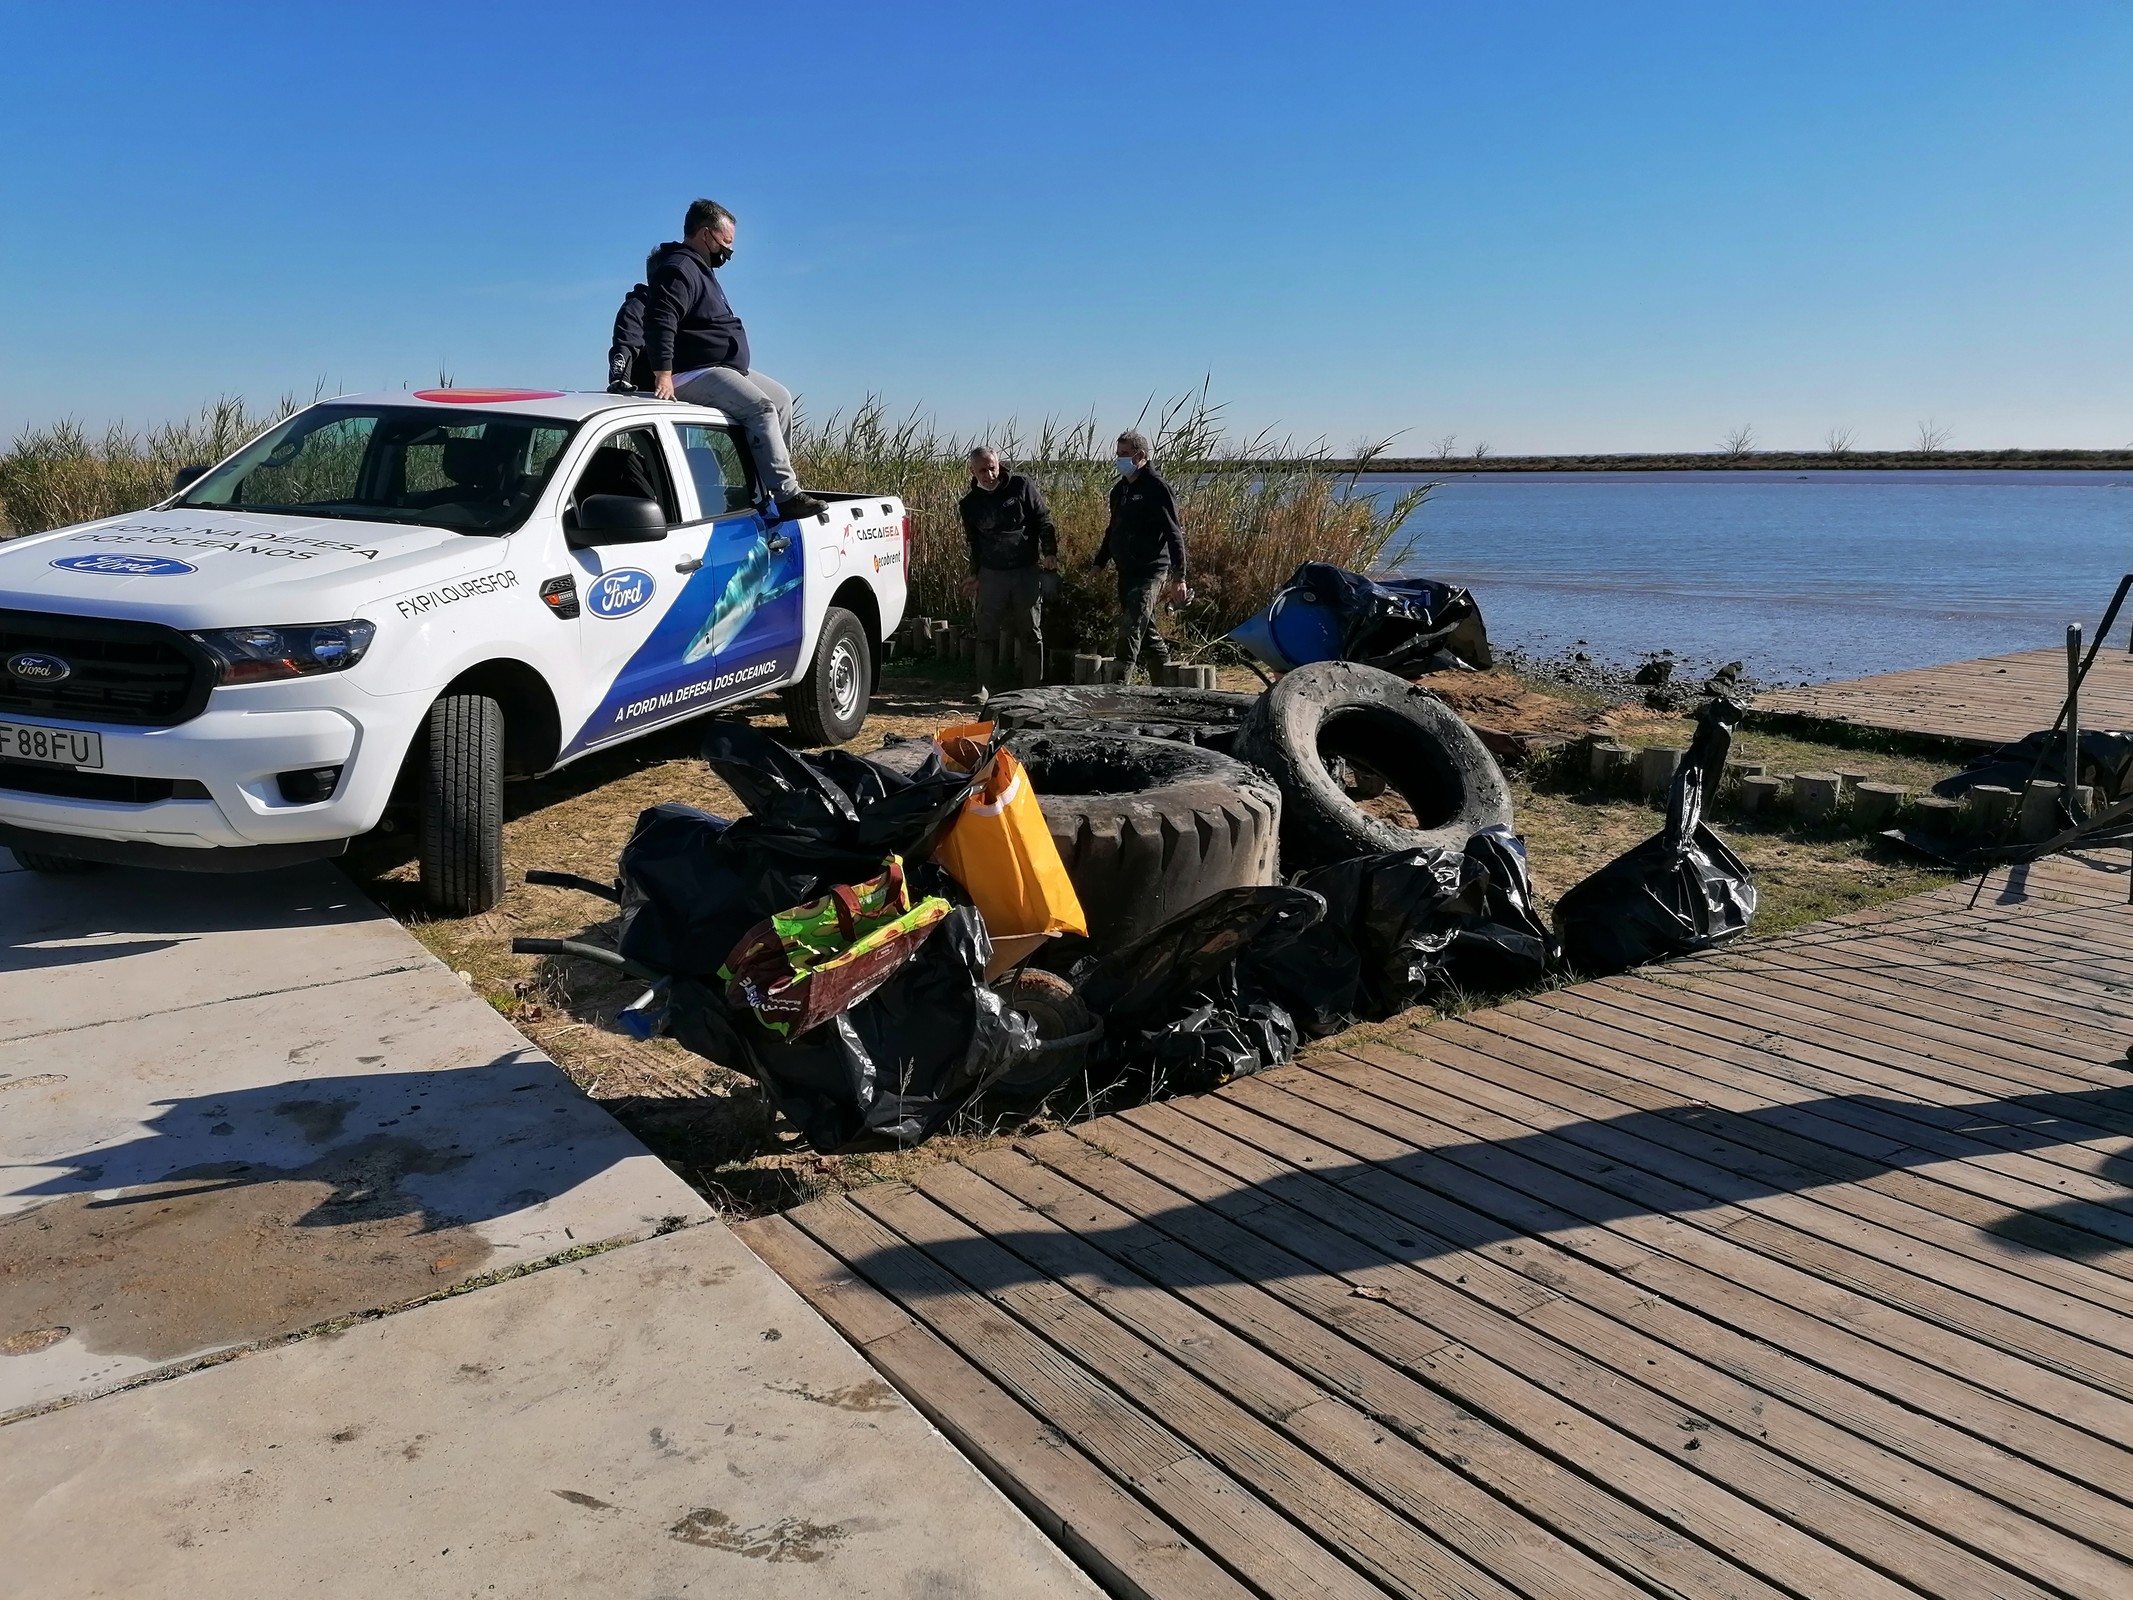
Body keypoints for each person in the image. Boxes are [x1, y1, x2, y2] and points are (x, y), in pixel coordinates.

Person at [644, 199, 825, 521]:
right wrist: (663, 374)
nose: (728, 252)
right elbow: (660, 320)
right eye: (726, 243)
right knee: (760, 408)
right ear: (705, 234)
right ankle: (786, 496)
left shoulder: (700, 268)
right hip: (692, 372)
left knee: (780, 398)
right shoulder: (679, 268)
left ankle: (766, 486)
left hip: (722, 367)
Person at [1091, 429, 1188, 679]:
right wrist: (1099, 563)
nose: (1119, 459)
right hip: (1126, 570)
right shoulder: (1119, 491)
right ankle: (1166, 685)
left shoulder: (1157, 488)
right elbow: (1112, 531)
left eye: (1124, 454)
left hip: (1150, 571)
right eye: (1117, 454)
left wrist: (1179, 577)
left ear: (1141, 455)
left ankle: (1117, 690)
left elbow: (1173, 533)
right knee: (1147, 633)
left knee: (1130, 629)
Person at [959, 446, 1057, 690]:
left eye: (992, 468)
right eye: (982, 470)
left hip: (1026, 570)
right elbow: (974, 543)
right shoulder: (970, 504)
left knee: (1030, 632)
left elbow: (1043, 520)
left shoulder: (1021, 486)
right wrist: (975, 574)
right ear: (973, 471)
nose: (988, 475)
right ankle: (983, 688)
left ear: (998, 464)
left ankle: (1033, 688)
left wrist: (1050, 552)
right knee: (985, 633)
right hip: (992, 574)